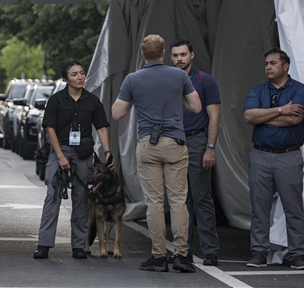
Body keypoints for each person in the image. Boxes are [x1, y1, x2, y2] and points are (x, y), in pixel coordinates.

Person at [112, 34, 202, 273]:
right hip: (175, 143)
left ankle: (158, 256)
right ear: (163, 53)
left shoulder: (133, 79)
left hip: (148, 145)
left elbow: (117, 113)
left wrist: (137, 99)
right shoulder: (179, 75)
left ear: (143, 54)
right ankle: (182, 255)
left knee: (154, 203)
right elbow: (196, 107)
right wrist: (176, 99)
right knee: (178, 201)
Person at [34, 61, 115, 260]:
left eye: (82, 73)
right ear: (65, 79)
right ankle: (44, 245)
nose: (79, 77)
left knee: (81, 200)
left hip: (83, 153)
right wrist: (60, 156)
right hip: (59, 149)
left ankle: (79, 246)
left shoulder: (92, 101)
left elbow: (102, 128)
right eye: (74, 74)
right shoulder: (56, 100)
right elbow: (49, 129)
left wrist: (107, 152)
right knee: (53, 196)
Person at [243, 48, 304, 270]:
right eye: (266, 64)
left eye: (272, 63)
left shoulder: (300, 90)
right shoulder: (258, 90)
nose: (268, 67)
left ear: (285, 66)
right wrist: (281, 110)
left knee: (293, 207)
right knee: (259, 206)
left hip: (289, 155)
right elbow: (248, 116)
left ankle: (298, 254)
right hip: (260, 155)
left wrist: (263, 117)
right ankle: (259, 252)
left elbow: (293, 120)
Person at [170, 39, 221, 267]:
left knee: (201, 198)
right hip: (173, 142)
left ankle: (210, 251)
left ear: (192, 55)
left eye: (183, 54)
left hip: (197, 141)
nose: (179, 59)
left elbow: (215, 116)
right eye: (175, 55)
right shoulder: (169, 79)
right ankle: (184, 250)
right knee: (180, 201)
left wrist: (210, 148)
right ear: (170, 58)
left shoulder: (204, 80)